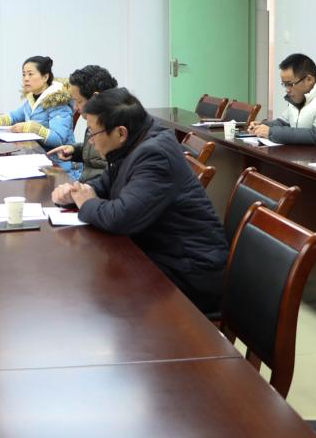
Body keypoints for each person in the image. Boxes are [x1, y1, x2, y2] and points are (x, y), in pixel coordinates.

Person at [51, 87, 228, 314]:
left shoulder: (155, 155)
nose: (91, 142)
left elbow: (121, 218)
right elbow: (105, 184)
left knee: (95, 301)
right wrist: (76, 193)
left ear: (120, 133)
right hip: (160, 253)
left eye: (93, 134)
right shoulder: (135, 140)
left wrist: (86, 203)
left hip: (189, 271)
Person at [0, 55, 76, 172]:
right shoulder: (32, 98)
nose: (26, 79)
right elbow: (16, 116)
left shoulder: (58, 103)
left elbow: (58, 139)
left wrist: (35, 129)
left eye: (30, 74)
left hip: (59, 166)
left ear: (45, 77)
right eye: (24, 74)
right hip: (38, 159)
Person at [247, 53, 316, 145]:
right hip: (303, 155)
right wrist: (262, 125)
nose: (287, 90)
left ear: (309, 80)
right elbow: (284, 122)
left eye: (290, 84)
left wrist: (271, 132)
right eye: (284, 85)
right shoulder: (301, 96)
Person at [46, 64, 117, 181]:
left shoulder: (115, 128)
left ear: (95, 98)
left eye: (78, 101)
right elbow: (94, 152)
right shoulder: (96, 119)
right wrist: (74, 150)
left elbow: (112, 176)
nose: (75, 107)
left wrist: (85, 189)